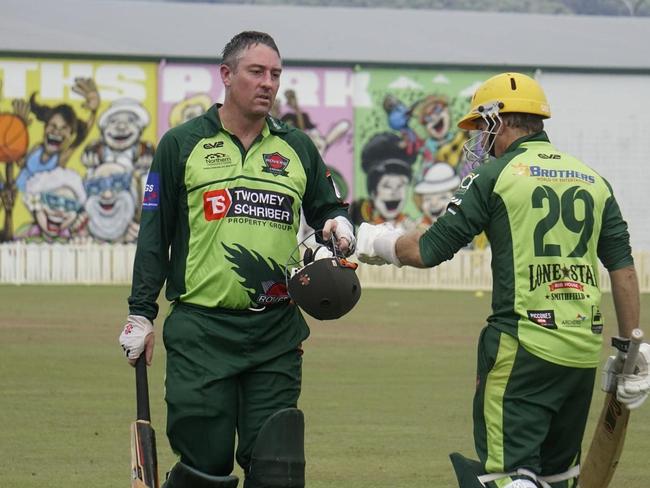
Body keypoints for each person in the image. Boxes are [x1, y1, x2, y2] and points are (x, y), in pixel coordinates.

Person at [356, 72, 650, 488]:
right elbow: (622, 267)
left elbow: (427, 251)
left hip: (522, 348)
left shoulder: (495, 178)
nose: (480, 139)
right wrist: (631, 347)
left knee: (507, 476)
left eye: (481, 127)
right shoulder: (594, 180)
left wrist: (374, 240)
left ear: (502, 120)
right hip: (582, 353)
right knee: (558, 477)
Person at [119, 31, 355, 488]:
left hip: (275, 332)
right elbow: (154, 236)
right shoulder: (180, 144)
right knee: (204, 468)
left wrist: (338, 225)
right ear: (226, 75)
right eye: (257, 72)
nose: (268, 83)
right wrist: (140, 313)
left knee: (277, 466)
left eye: (276, 75)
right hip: (201, 330)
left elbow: (327, 208)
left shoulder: (297, 147)